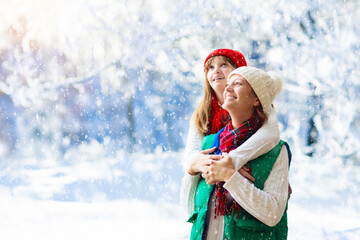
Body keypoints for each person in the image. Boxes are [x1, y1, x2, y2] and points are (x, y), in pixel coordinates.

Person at [186, 67, 291, 239]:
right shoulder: (209, 144)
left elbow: (273, 213)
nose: (227, 88)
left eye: (237, 84)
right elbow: (189, 207)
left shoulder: (276, 151)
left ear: (256, 99)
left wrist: (230, 177)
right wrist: (191, 169)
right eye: (228, 84)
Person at [180, 49, 281, 219]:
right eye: (210, 67)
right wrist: (207, 164)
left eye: (224, 65)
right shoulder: (202, 114)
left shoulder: (258, 109)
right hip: (211, 190)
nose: (216, 70)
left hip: (249, 190)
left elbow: (270, 136)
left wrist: (231, 162)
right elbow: (191, 156)